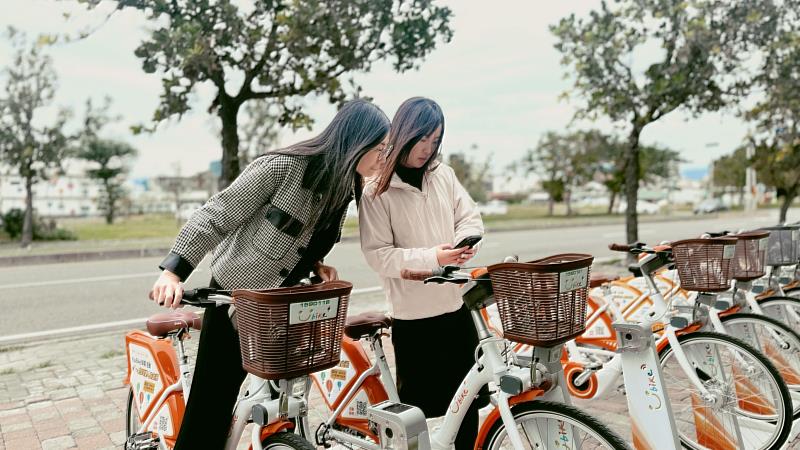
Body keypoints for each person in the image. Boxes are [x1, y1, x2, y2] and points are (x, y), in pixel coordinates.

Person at [149, 99, 390, 449]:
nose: (383, 157)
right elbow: (216, 215)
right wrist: (173, 272)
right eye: (379, 148)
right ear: (356, 142)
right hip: (236, 300)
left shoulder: (345, 188)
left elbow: (305, 241)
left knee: (284, 404)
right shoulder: (282, 167)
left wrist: (316, 266)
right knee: (209, 412)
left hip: (282, 308)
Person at [358, 97, 485, 450]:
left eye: (435, 141)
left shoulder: (443, 174)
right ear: (403, 134)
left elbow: (469, 216)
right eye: (421, 140)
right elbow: (379, 255)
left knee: (468, 403)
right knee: (421, 417)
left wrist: (463, 241)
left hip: (455, 310)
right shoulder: (376, 190)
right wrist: (435, 256)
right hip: (414, 320)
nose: (427, 150)